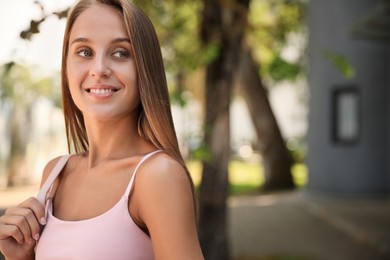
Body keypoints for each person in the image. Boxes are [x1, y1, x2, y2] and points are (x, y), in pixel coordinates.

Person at [0, 0, 204, 259]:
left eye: (120, 53)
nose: (99, 70)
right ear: (66, 67)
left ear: (145, 69)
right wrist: (21, 257)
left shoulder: (157, 176)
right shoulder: (55, 175)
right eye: (85, 52)